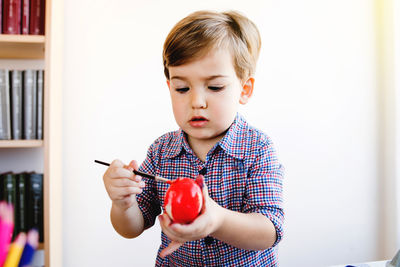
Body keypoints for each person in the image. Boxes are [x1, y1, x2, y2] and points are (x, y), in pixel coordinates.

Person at [102, 10, 284, 266]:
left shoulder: (258, 149)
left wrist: (217, 220)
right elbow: (132, 227)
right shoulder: (161, 151)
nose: (196, 102)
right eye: (182, 88)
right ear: (169, 88)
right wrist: (123, 203)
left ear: (244, 89)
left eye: (215, 87)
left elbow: (270, 230)